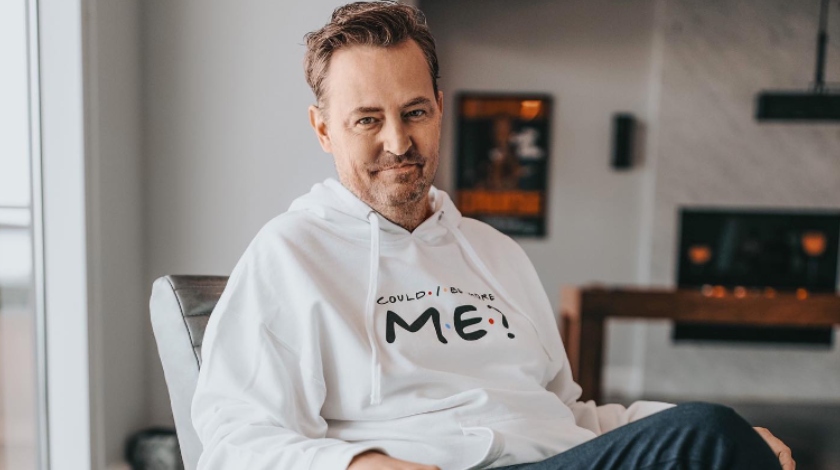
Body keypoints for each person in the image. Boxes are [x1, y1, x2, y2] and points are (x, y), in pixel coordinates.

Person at [190, 2, 795, 469]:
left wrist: (719, 436)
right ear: (324, 130)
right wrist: (358, 464)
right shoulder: (290, 255)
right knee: (708, 433)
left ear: (439, 109)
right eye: (368, 120)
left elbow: (571, 416)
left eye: (415, 112)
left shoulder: (494, 253)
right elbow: (232, 441)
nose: (398, 141)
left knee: (715, 433)